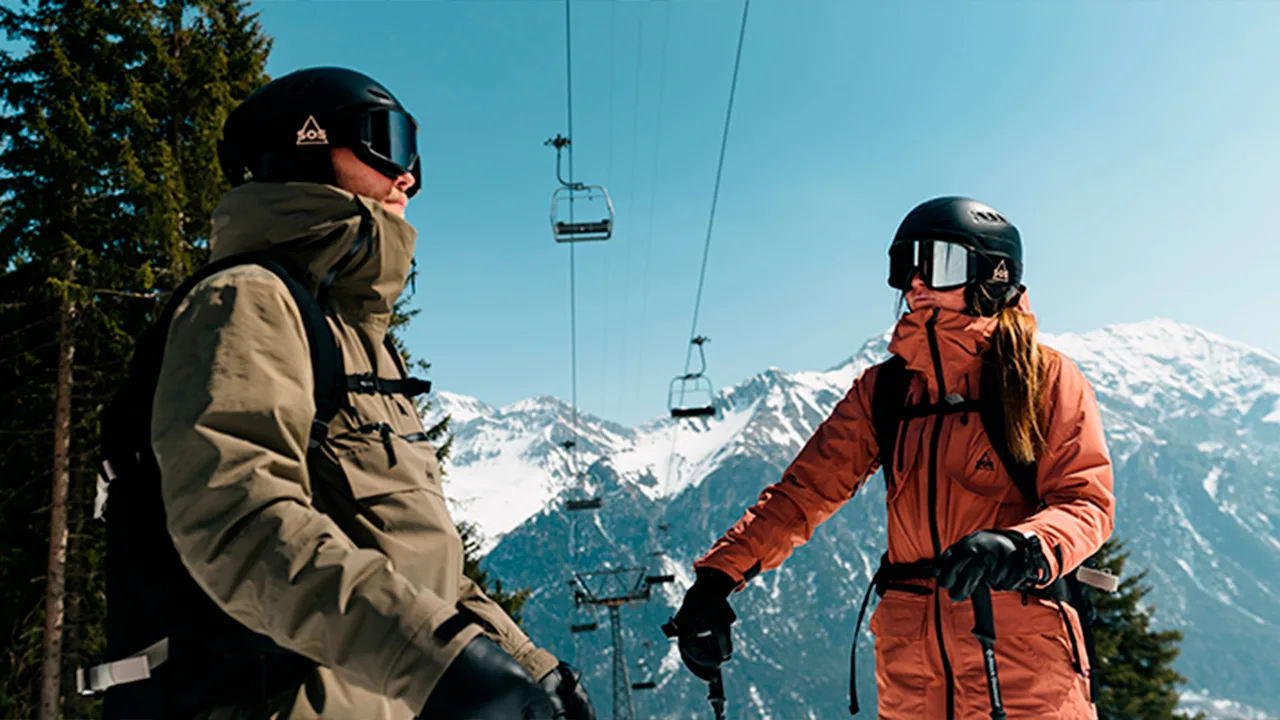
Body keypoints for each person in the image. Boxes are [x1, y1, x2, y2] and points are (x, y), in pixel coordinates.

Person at [143, 67, 594, 719]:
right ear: (304, 145)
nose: (409, 176)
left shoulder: (360, 341)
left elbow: (424, 569)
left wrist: (530, 668)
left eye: (415, 155)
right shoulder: (247, 301)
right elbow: (239, 522)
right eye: (388, 141)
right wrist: (436, 662)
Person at [669, 196, 1115, 719]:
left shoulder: (1043, 377)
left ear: (992, 276)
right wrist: (717, 579)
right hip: (912, 671)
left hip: (1021, 665)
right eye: (905, 265)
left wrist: (1021, 547)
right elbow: (803, 494)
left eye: (939, 262)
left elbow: (1086, 502)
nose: (915, 282)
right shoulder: (886, 391)